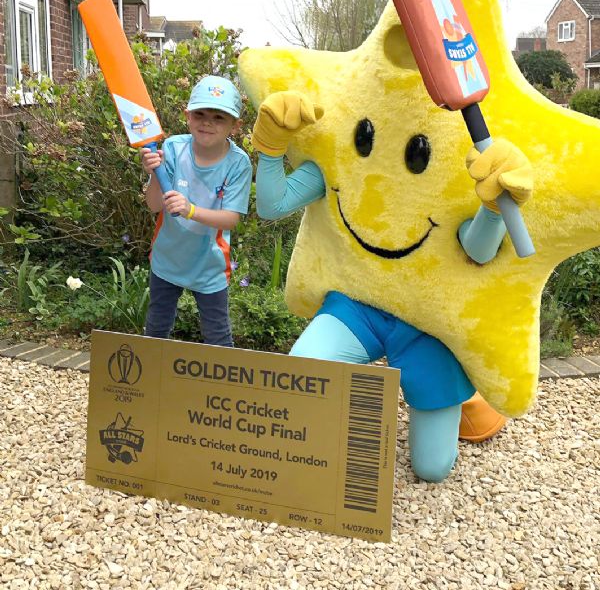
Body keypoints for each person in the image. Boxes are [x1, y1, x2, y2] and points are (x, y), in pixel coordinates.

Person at [251, 91, 533, 482]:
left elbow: (478, 251)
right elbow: (272, 204)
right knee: (306, 376)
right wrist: (269, 147)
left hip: (426, 322)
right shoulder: (342, 146)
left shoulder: (454, 153)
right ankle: (454, 397)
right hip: (357, 305)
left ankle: (466, 394)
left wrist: (491, 209)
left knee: (432, 469)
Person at [141, 76, 251, 346]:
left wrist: (190, 210)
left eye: (219, 117)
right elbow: (155, 205)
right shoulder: (172, 149)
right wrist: (154, 173)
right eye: (200, 114)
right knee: (156, 331)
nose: (207, 122)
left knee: (218, 338)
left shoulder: (239, 164)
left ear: (235, 127)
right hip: (167, 259)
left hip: (209, 265)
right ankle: (153, 387)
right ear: (187, 115)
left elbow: (231, 219)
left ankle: (223, 388)